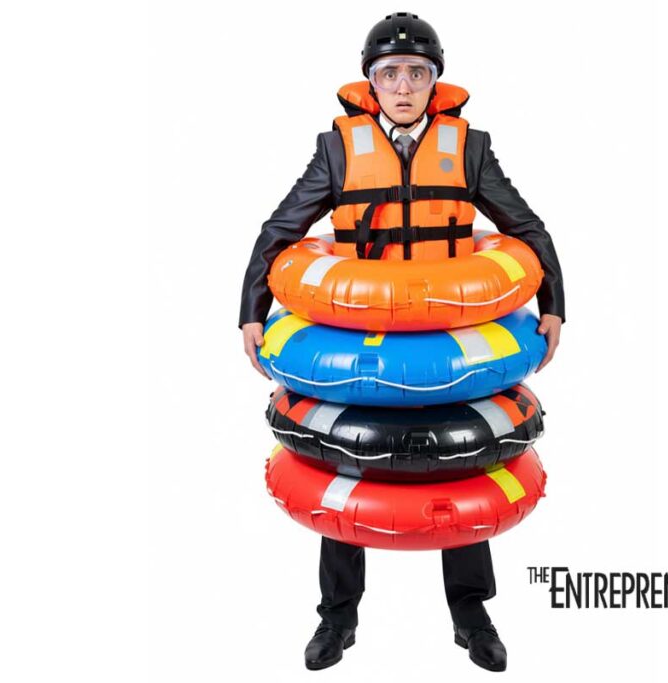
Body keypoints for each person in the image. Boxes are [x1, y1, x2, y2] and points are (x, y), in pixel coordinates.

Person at [238, 12, 565, 672]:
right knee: (343, 459)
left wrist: (554, 304)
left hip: (449, 348)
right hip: (360, 350)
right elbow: (282, 227)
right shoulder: (339, 150)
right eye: (390, 74)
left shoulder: (468, 148)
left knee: (463, 460)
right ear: (372, 83)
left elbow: (525, 226)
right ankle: (338, 616)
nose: (405, 86)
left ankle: (471, 614)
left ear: (435, 81)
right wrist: (252, 311)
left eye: (418, 72)